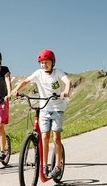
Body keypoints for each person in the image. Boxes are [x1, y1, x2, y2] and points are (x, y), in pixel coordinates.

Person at [11, 49, 71, 178]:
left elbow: (67, 81)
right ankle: (44, 165)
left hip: (58, 107)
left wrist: (65, 90)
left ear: (53, 62)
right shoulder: (38, 73)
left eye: (47, 62)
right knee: (44, 137)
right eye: (42, 63)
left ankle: (58, 166)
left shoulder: (57, 72)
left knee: (56, 137)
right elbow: (26, 81)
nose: (44, 65)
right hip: (45, 107)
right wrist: (16, 89)